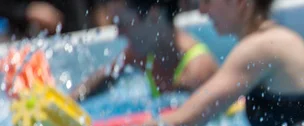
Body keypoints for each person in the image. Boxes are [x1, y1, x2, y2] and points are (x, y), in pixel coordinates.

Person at [90, 0, 304, 126]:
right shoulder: (273, 39)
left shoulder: (258, 49)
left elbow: (181, 124)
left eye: (209, 0)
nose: (202, 10)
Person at [71, 0, 219, 101]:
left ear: (153, 16)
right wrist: (66, 101)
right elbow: (103, 79)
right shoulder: (143, 53)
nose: (119, 33)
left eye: (123, 23)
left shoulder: (196, 71)